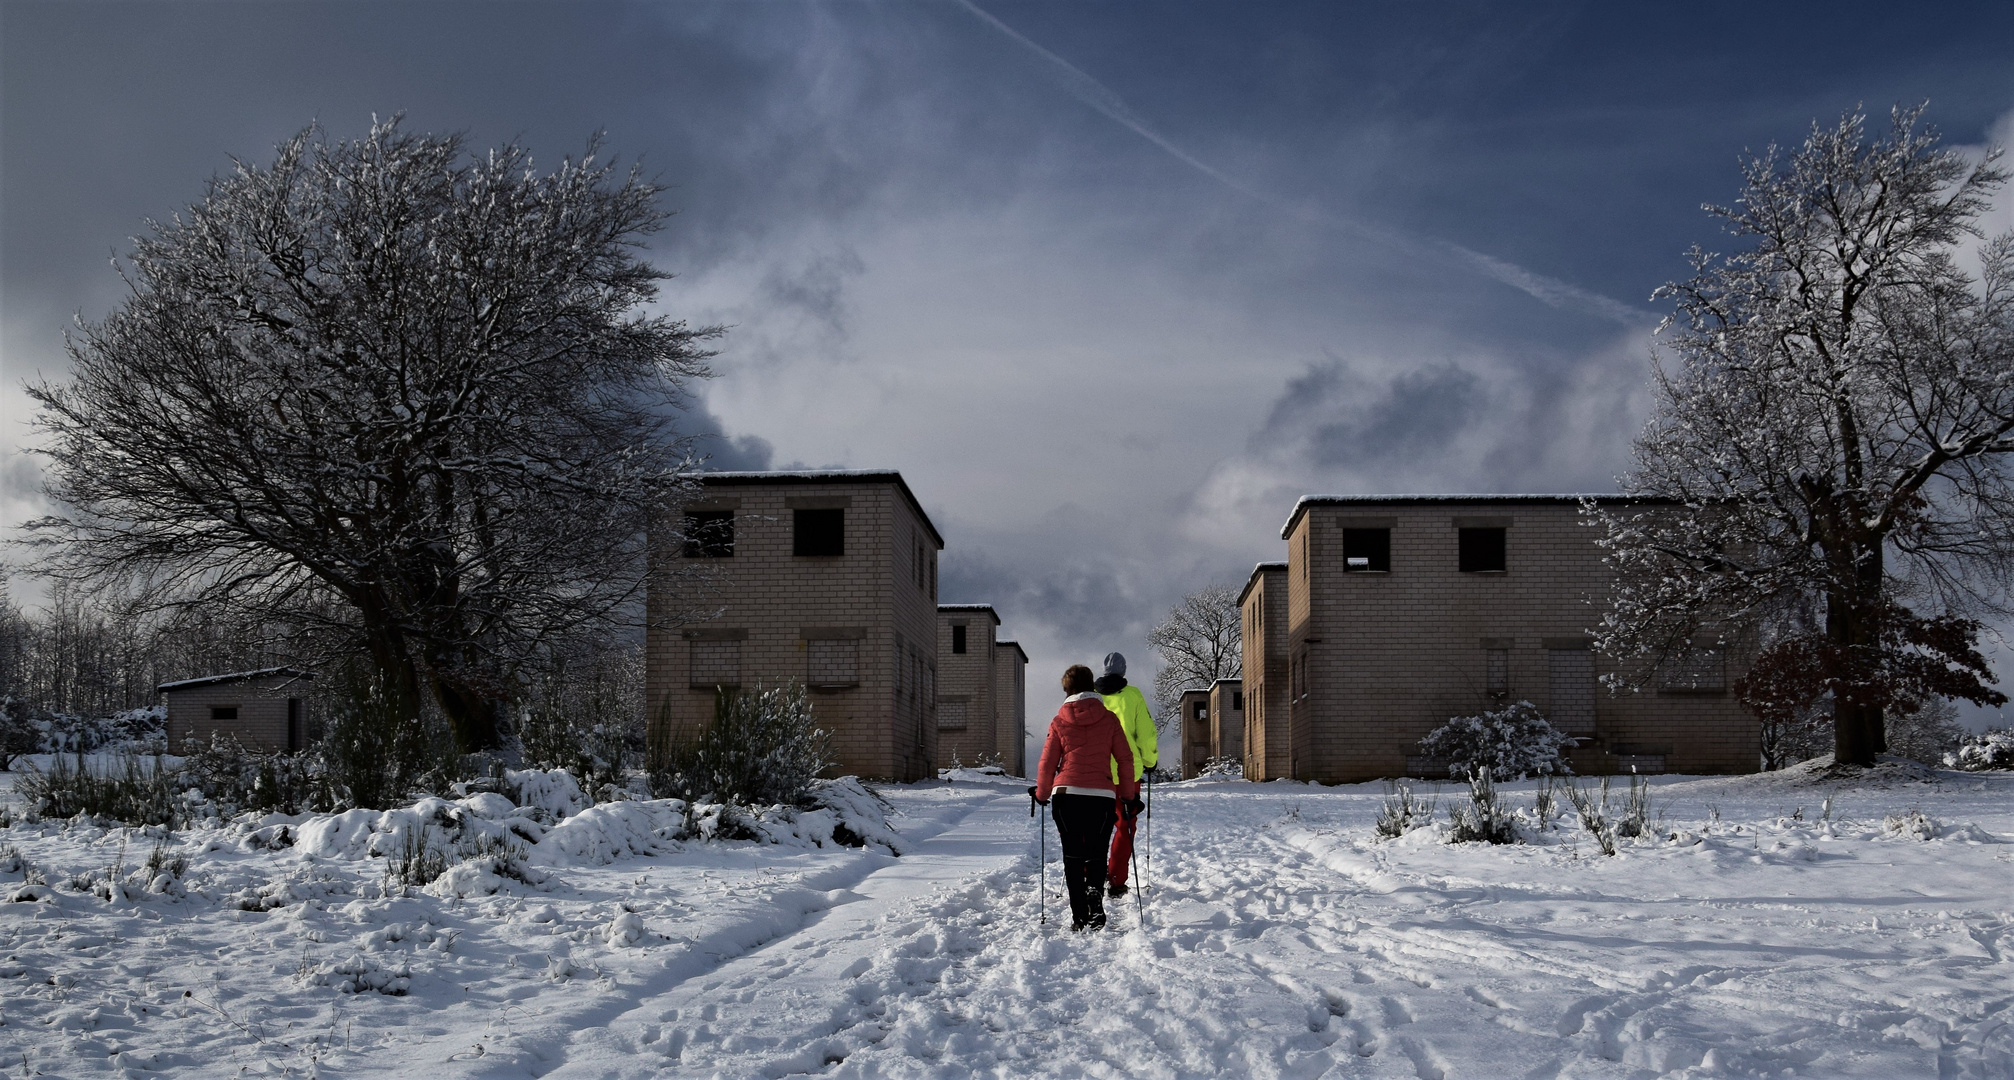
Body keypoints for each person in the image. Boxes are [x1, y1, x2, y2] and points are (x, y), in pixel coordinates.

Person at [1033, 664, 1138, 931]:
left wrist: (1041, 793)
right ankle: (1095, 894)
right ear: (1092, 686)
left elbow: (1047, 763)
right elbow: (1125, 759)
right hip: (1101, 796)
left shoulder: (1058, 721)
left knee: (1072, 854)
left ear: (1067, 689)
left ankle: (1079, 914)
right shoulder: (1110, 719)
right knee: (1096, 850)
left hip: (1066, 796)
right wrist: (1127, 796)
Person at [1094, 652, 1157, 897]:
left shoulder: (1092, 698)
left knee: (1095, 827)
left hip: (1097, 773)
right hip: (1127, 773)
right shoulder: (1133, 696)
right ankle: (1117, 879)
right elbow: (1146, 732)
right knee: (1125, 826)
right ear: (1124, 671)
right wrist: (1150, 760)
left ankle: (1092, 877)